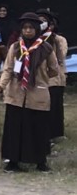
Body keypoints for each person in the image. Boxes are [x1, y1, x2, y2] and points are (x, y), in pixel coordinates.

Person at [0, 12, 61, 172]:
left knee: (38, 128)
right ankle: (13, 162)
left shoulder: (46, 48)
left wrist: (39, 77)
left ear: (37, 29)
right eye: (25, 28)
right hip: (16, 95)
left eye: (31, 28)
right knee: (15, 129)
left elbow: (54, 70)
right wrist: (1, 86)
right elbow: (8, 69)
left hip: (37, 94)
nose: (28, 31)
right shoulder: (16, 47)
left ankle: (40, 162)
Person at [36, 8, 67, 143]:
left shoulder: (58, 39)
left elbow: (61, 57)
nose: (41, 24)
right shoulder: (33, 39)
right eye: (39, 21)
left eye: (44, 21)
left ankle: (55, 133)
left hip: (55, 78)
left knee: (54, 107)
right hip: (39, 78)